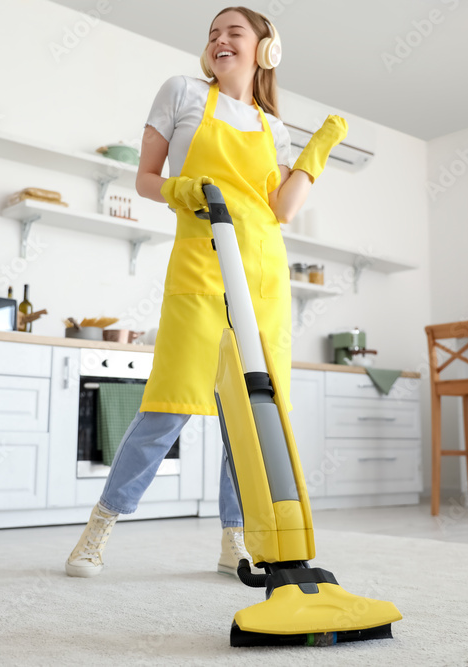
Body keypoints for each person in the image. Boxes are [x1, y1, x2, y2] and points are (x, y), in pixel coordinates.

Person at [66, 6, 348, 578]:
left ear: (265, 47)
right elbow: (145, 179)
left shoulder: (274, 127)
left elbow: (282, 209)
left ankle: (234, 541)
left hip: (264, 274)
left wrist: (316, 152)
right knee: (168, 404)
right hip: (201, 267)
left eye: (233, 32)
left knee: (250, 412)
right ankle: (97, 531)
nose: (220, 40)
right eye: (213, 34)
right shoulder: (182, 92)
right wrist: (180, 188)